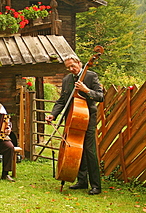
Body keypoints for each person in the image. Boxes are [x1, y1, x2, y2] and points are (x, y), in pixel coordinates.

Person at [45, 55, 104, 195]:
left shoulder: (90, 76)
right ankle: (82, 181)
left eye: (73, 66)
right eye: (68, 67)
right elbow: (62, 101)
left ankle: (96, 185)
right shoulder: (67, 80)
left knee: (89, 152)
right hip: (72, 119)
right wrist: (54, 114)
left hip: (87, 118)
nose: (71, 69)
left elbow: (100, 96)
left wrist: (86, 90)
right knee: (76, 150)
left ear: (79, 63)